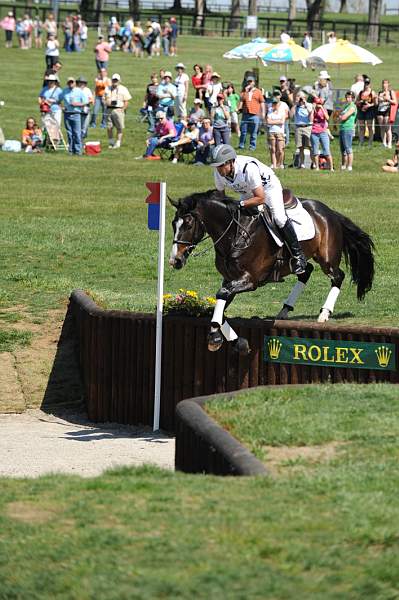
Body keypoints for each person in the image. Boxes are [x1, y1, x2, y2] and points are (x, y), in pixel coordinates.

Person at [210, 144, 307, 275]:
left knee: (279, 218)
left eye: (221, 166)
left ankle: (298, 256)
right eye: (217, 166)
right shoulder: (219, 173)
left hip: (268, 188)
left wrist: (240, 204)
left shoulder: (248, 168)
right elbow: (221, 196)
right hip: (247, 190)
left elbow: (260, 198)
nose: (219, 169)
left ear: (231, 162)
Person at [60, 77, 88, 155]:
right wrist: (62, 107)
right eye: (69, 82)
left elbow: (86, 102)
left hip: (76, 114)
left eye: (72, 82)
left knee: (77, 133)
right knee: (69, 133)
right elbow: (58, 100)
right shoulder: (64, 91)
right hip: (67, 113)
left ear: (75, 83)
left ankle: (78, 150)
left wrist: (77, 104)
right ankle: (71, 150)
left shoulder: (79, 91)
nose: (70, 84)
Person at [103, 73, 132, 149]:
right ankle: (111, 142)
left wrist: (122, 109)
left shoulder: (123, 89)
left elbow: (126, 101)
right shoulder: (107, 88)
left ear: (119, 81)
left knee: (119, 127)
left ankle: (118, 142)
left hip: (118, 109)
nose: (115, 81)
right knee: (109, 127)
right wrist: (106, 102)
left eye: (116, 80)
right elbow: (103, 98)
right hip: (108, 109)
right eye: (114, 80)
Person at [238, 75, 265, 151]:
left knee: (254, 132)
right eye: (248, 81)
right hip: (245, 114)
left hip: (255, 114)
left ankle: (252, 146)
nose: (249, 83)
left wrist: (263, 113)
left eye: (251, 81)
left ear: (254, 82)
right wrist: (246, 91)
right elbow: (241, 100)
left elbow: (262, 102)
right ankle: (241, 145)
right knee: (243, 131)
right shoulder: (244, 92)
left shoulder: (258, 92)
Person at [291, 91, 313, 168]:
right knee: (300, 147)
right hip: (298, 127)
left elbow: (311, 117)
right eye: (298, 96)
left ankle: (313, 163)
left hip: (308, 127)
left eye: (302, 97)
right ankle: (302, 164)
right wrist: (295, 105)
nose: (300, 99)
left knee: (310, 146)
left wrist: (305, 104)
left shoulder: (309, 105)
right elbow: (291, 115)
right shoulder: (296, 106)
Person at [310, 97, 334, 171]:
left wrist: (322, 109)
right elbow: (311, 119)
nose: (318, 105)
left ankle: (331, 168)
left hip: (323, 132)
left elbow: (327, 118)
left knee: (327, 150)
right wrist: (313, 109)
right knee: (315, 151)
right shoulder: (313, 110)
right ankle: (317, 167)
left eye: (320, 103)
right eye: (317, 103)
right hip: (314, 132)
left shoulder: (324, 109)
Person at [356, 76, 377, 147]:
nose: (366, 84)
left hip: (369, 111)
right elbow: (356, 101)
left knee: (369, 127)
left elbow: (376, 103)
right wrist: (360, 102)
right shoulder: (361, 92)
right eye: (365, 83)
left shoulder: (372, 92)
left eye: (367, 83)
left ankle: (370, 143)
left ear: (370, 84)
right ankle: (361, 142)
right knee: (361, 127)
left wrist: (369, 105)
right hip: (361, 110)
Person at [338, 90, 357, 172]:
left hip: (348, 129)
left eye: (349, 97)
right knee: (343, 150)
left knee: (348, 148)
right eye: (347, 97)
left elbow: (343, 117)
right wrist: (340, 116)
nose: (348, 99)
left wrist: (341, 117)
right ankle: (343, 166)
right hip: (342, 128)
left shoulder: (352, 107)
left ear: (353, 98)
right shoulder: (346, 106)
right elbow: (339, 116)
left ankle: (349, 166)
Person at [266, 96, 286, 169]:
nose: (274, 104)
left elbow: (282, 121)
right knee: (273, 149)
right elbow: (268, 121)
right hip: (272, 131)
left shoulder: (282, 110)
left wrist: (273, 122)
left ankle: (280, 163)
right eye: (273, 103)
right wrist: (277, 121)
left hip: (280, 132)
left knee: (280, 150)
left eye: (276, 103)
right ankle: (273, 164)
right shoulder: (270, 110)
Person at [377, 79, 396, 149]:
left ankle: (389, 143)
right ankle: (384, 143)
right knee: (382, 127)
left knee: (388, 128)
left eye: (385, 83)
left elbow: (395, 101)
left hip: (387, 110)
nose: (384, 85)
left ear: (388, 84)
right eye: (383, 83)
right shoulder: (380, 92)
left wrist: (388, 99)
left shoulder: (391, 92)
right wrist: (379, 98)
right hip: (380, 110)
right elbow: (377, 103)